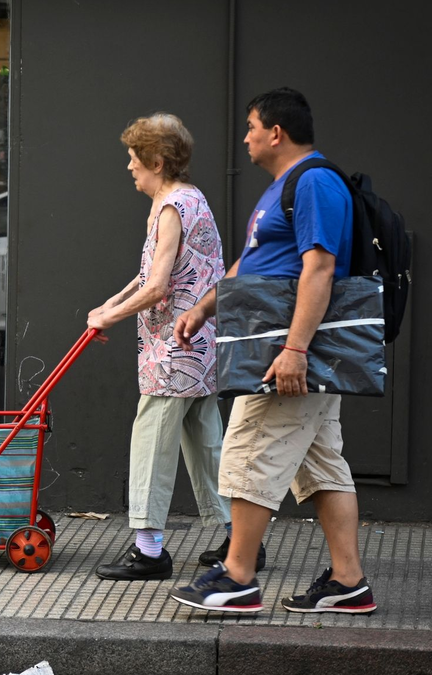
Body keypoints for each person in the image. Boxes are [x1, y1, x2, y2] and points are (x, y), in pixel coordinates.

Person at [169, 88, 376, 614]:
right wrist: (205, 307)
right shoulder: (283, 188)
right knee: (322, 466)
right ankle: (348, 582)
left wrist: (295, 350)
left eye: (251, 127)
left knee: (248, 452)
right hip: (283, 348)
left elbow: (320, 268)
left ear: (276, 132)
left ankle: (238, 577)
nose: (245, 138)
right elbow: (254, 261)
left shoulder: (315, 182)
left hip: (288, 354)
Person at [87, 114, 235, 581]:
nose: (129, 167)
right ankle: (240, 538)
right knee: (205, 441)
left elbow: (157, 287)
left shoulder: (172, 207)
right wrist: (111, 302)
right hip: (199, 345)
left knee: (152, 439)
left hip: (174, 349)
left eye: (134, 159)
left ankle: (149, 551)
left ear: (156, 161)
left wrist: (110, 316)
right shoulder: (186, 200)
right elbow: (148, 275)